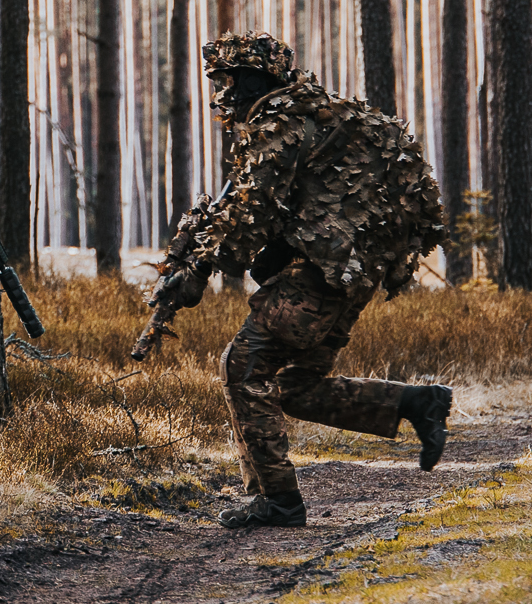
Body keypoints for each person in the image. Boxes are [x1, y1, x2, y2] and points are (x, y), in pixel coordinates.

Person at [156, 31, 452, 530]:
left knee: (243, 367)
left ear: (248, 80)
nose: (221, 94)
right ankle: (416, 403)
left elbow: (254, 210)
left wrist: (199, 270)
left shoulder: (279, 121)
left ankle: (278, 501)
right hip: (352, 273)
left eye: (226, 80)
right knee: (295, 387)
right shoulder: (325, 114)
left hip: (324, 273)